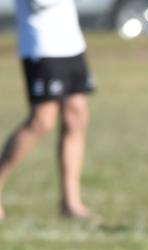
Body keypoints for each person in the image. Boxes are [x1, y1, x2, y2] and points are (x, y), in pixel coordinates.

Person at [0, 0, 95, 220]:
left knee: (77, 115)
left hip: (71, 41)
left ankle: (70, 202)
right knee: (42, 121)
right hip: (41, 43)